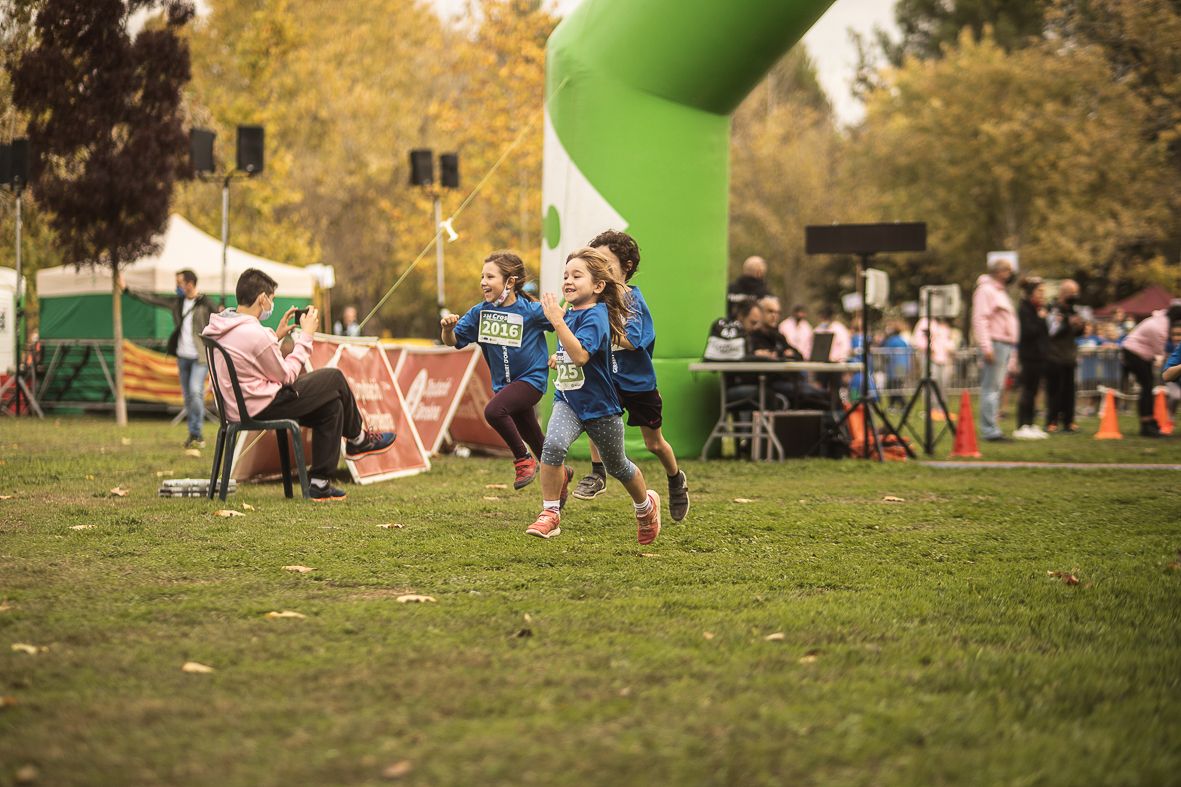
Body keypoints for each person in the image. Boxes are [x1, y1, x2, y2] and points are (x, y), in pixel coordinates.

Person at [201, 268, 395, 501]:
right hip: (262, 405)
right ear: (262, 298)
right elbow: (286, 376)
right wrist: (307, 337)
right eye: (271, 300)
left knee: (331, 405)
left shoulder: (221, 325)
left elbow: (250, 358)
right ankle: (357, 439)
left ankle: (320, 483)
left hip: (238, 406)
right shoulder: (254, 332)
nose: (271, 305)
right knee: (334, 378)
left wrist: (276, 335)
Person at [526, 247, 661, 544]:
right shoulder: (571, 313)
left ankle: (645, 507)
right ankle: (550, 513)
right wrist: (558, 357)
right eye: (565, 276)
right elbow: (569, 351)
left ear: (598, 286)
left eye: (577, 275)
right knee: (553, 447)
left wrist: (557, 322)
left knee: (618, 466)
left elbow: (582, 355)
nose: (568, 281)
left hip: (600, 408)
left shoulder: (598, 316)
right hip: (569, 402)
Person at [570, 230, 690, 522]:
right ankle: (597, 474)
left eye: (607, 262)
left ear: (626, 266)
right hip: (606, 381)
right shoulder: (593, 300)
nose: (600, 268)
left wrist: (598, 334)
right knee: (595, 419)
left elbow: (633, 339)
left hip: (638, 385)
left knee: (654, 444)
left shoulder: (632, 301)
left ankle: (676, 480)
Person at [440, 251, 551, 490]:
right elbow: (453, 341)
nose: (483, 282)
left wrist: (562, 353)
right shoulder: (480, 313)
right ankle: (561, 472)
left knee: (493, 411)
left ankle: (523, 460)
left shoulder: (531, 311)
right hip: (505, 386)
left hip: (532, 380)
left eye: (490, 276)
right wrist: (448, 329)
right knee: (537, 440)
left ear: (509, 282)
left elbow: (562, 323)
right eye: (482, 276)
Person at [121, 268, 215, 449]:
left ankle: (198, 432)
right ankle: (193, 434)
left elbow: (221, 317)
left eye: (179, 283)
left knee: (196, 392)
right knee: (188, 397)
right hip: (182, 357)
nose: (176, 287)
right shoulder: (177, 303)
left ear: (189, 284)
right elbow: (153, 299)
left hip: (200, 357)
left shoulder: (205, 303)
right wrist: (127, 290)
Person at [971, 256, 1019, 442]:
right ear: (998, 272)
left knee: (996, 388)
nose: (1010, 274)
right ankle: (989, 430)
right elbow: (980, 319)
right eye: (1007, 270)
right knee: (990, 389)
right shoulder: (986, 290)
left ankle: (992, 426)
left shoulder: (999, 291)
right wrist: (986, 346)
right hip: (995, 343)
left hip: (1004, 344)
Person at [1120, 302, 1181, 437]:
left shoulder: (1160, 318)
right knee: (1147, 387)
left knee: (1147, 386)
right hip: (1134, 353)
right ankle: (1146, 424)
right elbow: (1160, 351)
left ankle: (1149, 421)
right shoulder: (1160, 327)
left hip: (1135, 352)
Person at [1044, 279, 1084, 433]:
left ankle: (1069, 422)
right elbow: (1052, 331)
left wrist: (1080, 327)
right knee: (1055, 391)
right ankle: (1051, 421)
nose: (1075, 296)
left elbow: (1076, 333)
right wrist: (1067, 322)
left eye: (1076, 292)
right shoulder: (1054, 309)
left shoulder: (1074, 310)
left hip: (1070, 356)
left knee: (1069, 391)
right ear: (1063, 293)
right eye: (1072, 293)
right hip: (1054, 356)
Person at [1014, 277, 1049, 440]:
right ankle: (1022, 424)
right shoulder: (1024, 309)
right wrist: (1041, 319)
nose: (1043, 295)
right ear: (1030, 293)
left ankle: (1031, 422)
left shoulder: (1037, 309)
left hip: (1039, 356)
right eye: (1039, 291)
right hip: (1028, 356)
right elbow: (1028, 332)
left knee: (1034, 391)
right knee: (1027, 391)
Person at [881, 318, 912, 410]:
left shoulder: (892, 340)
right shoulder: (902, 340)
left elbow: (885, 352)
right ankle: (895, 405)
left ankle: (901, 405)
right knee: (897, 386)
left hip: (895, 367)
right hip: (902, 366)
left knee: (894, 387)